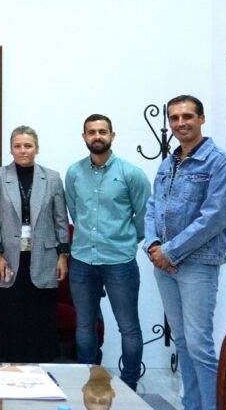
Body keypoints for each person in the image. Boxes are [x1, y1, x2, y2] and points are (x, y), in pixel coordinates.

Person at [145, 95, 226, 410]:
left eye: (187, 116)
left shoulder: (221, 163)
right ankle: (192, 405)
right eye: (174, 118)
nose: (180, 123)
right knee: (183, 343)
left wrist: (170, 252)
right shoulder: (167, 164)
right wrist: (153, 246)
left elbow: (214, 217)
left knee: (200, 347)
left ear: (201, 118)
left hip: (197, 265)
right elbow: (152, 208)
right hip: (164, 267)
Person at [65, 113, 150, 390]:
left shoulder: (131, 174)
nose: (97, 136)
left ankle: (129, 385)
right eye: (91, 132)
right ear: (84, 137)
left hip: (119, 261)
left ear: (112, 135)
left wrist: (125, 240)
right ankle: (87, 381)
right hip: (82, 261)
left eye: (102, 131)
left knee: (129, 327)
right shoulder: (74, 173)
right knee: (84, 326)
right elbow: (75, 211)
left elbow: (144, 217)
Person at [0, 125, 70, 362]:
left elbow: (61, 219)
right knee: (7, 315)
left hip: (42, 256)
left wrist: (63, 255)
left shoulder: (52, 178)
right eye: (18, 146)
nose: (23, 150)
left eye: (28, 146)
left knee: (39, 316)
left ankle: (39, 368)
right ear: (11, 149)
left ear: (37, 149)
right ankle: (5, 368)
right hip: (7, 257)